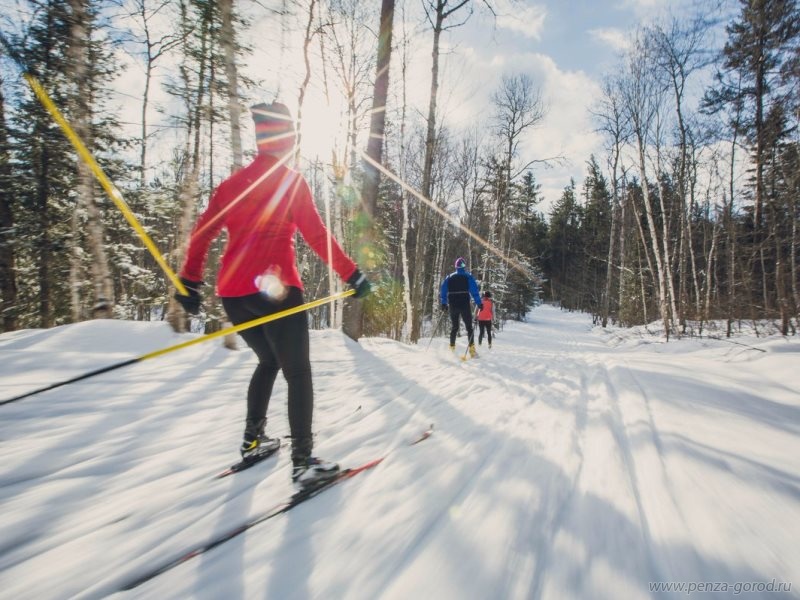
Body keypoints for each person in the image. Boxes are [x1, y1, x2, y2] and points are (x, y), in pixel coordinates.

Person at [175, 101, 370, 489]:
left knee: (268, 361)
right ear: (287, 139)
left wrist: (189, 282)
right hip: (276, 291)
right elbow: (316, 235)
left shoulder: (231, 186)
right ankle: (302, 462)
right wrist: (352, 273)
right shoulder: (290, 181)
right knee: (297, 370)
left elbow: (202, 232)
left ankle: (253, 441)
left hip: (234, 295)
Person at [440, 257, 482, 357]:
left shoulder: (449, 277)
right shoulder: (468, 276)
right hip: (464, 305)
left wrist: (444, 303)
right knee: (469, 327)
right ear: (464, 266)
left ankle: (451, 349)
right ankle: (472, 351)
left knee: (454, 327)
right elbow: (474, 291)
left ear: (456, 266)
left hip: (453, 305)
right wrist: (479, 303)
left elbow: (443, 291)